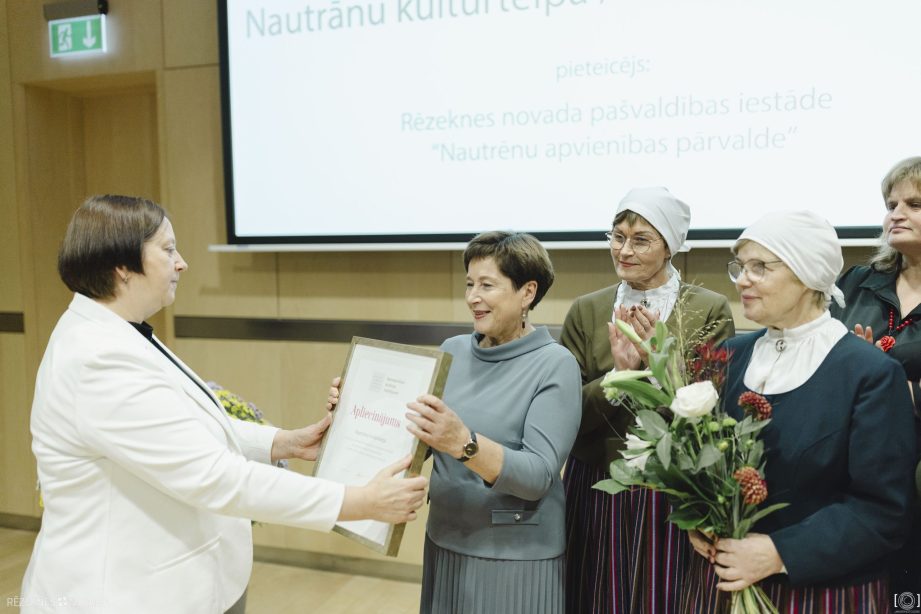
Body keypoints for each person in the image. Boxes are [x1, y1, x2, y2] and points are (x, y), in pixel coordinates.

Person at [21, 195, 427, 614]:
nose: (182, 263)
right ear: (122, 266)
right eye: (168, 249)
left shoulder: (121, 332)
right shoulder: (98, 359)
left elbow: (182, 426)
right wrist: (358, 501)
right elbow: (214, 476)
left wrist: (282, 442)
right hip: (122, 595)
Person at [329, 231, 581, 613]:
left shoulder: (555, 364)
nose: (472, 297)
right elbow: (420, 437)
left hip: (514, 555)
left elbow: (538, 476)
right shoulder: (454, 351)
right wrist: (352, 411)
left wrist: (465, 444)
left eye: (487, 285)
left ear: (528, 292)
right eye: (469, 284)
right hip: (445, 540)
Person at [682, 210, 916, 612]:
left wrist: (779, 552)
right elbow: (693, 456)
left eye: (760, 267)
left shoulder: (869, 373)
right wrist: (695, 517)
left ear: (807, 275)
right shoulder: (727, 357)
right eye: (740, 266)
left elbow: (883, 509)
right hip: (719, 582)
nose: (742, 279)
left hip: (819, 593)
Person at [560, 187, 734, 613]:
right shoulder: (587, 310)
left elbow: (712, 405)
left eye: (640, 240)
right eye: (617, 237)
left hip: (671, 486)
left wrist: (660, 366)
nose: (624, 250)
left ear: (670, 246)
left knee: (665, 597)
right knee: (595, 596)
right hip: (598, 482)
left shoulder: (707, 309)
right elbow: (565, 413)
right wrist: (619, 377)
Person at [829, 156, 921, 596]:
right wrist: (853, 366)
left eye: (914, 204)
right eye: (891, 205)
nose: (896, 214)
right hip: (849, 448)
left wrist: (892, 388)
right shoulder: (857, 281)